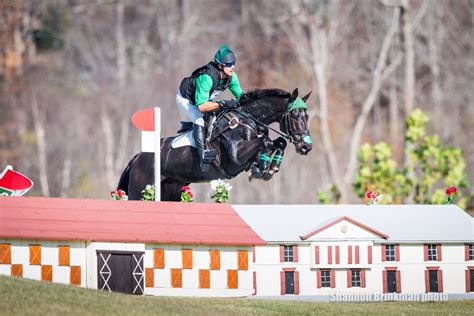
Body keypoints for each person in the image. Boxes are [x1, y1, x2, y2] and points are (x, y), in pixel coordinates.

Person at [177, 44, 244, 172]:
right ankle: (203, 154)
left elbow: (241, 96)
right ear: (220, 66)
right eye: (229, 65)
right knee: (199, 119)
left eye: (233, 64)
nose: (233, 67)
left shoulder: (232, 77)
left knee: (219, 115)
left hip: (203, 100)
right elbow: (201, 106)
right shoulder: (207, 77)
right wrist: (222, 103)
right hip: (186, 99)